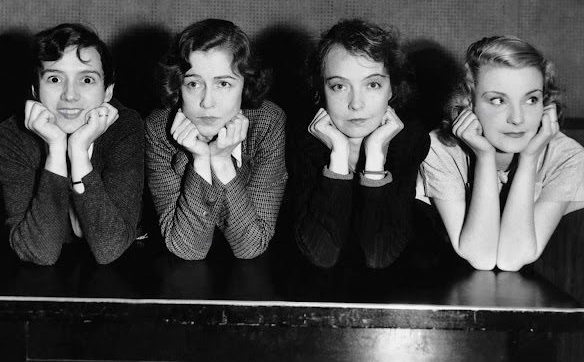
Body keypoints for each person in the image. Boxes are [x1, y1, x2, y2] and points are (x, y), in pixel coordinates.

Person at [418, 36, 584, 271]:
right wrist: (484, 158)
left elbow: (511, 258)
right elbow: (481, 256)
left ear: (546, 105)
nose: (517, 118)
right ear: (469, 102)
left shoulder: (567, 157)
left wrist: (529, 159)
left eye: (531, 99)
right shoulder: (440, 149)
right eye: (498, 100)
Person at [0, 24, 144, 265]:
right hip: (40, 277)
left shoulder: (125, 127)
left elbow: (110, 247)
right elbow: (39, 252)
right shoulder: (13, 135)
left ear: (107, 92)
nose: (70, 95)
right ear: (35, 90)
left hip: (123, 269)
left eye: (86, 79)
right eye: (54, 79)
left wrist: (78, 152)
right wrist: (55, 150)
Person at [291, 19, 430, 268]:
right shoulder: (302, 142)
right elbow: (321, 254)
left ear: (392, 89)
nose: (356, 103)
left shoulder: (409, 141)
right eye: (339, 86)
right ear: (322, 91)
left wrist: (375, 159)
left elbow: (379, 254)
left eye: (372, 85)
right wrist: (338, 159)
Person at [145, 19, 287, 260]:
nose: (207, 102)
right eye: (193, 83)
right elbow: (188, 249)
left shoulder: (267, 123)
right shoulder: (159, 129)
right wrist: (201, 159)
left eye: (223, 83)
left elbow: (252, 246)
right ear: (178, 87)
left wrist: (221, 161)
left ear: (246, 85)